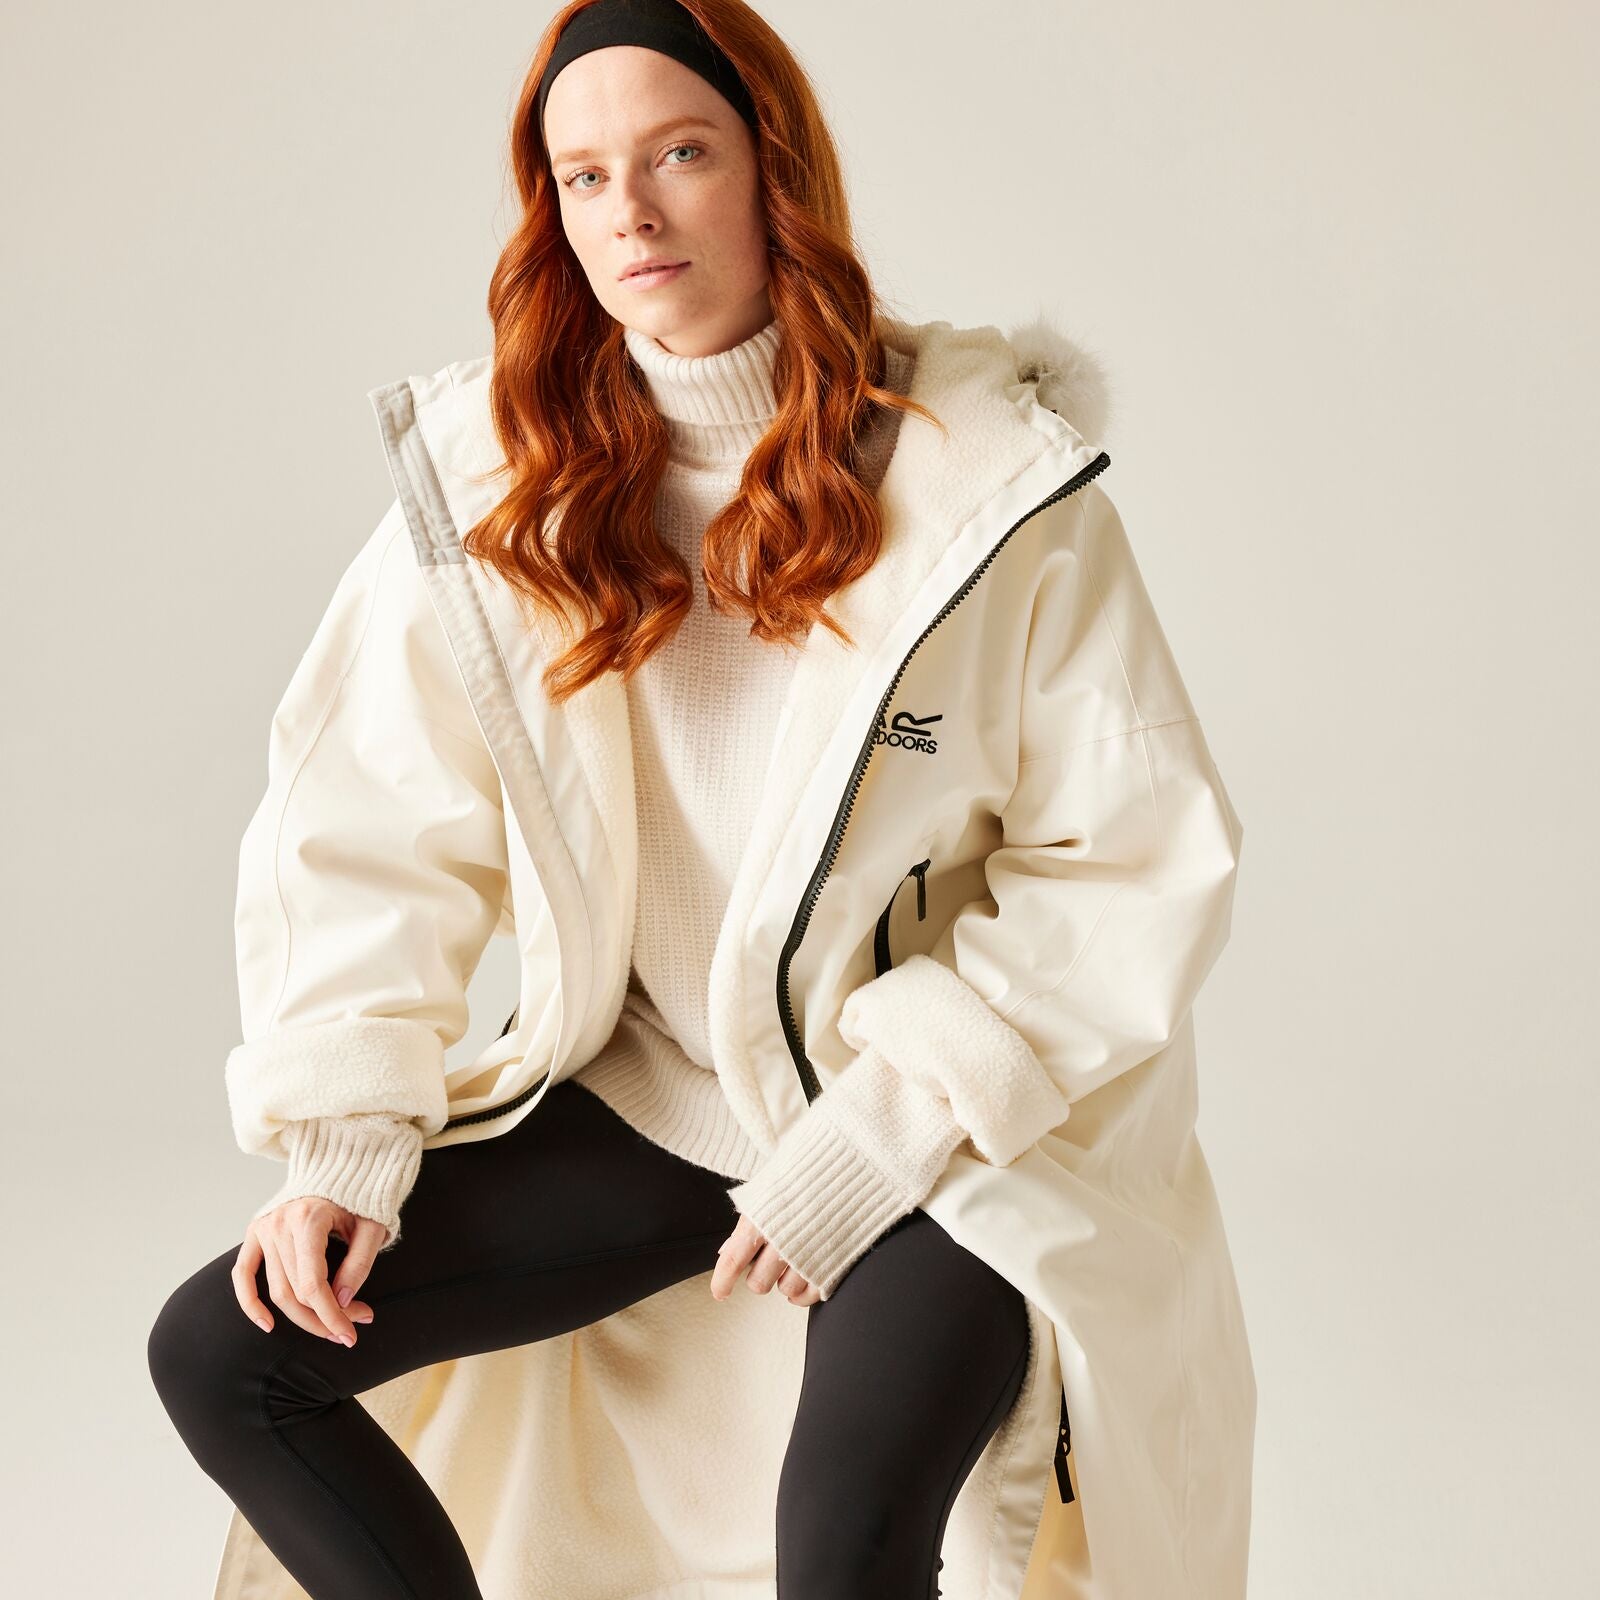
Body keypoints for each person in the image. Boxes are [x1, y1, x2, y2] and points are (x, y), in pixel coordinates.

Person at [148, 3, 1256, 1598]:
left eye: (679, 153)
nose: (633, 213)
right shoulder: (502, 487)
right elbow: (372, 822)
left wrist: (883, 1129)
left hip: (939, 1121)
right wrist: (347, 1143)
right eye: (585, 176)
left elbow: (1129, 857)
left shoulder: (986, 485)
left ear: (772, 168)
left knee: (846, 1534)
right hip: (662, 1098)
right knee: (229, 1354)